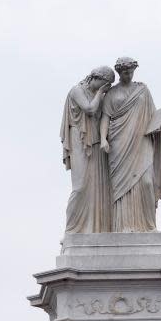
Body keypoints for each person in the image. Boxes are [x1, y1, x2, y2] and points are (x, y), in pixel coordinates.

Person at [99, 57, 161, 232]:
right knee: (122, 188)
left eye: (131, 72)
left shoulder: (142, 91)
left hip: (142, 140)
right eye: (125, 73)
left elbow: (152, 114)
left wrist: (158, 125)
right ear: (118, 73)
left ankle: (148, 225)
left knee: (146, 182)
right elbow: (105, 118)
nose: (128, 75)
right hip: (119, 143)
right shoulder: (111, 94)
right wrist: (103, 139)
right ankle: (124, 226)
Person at [60, 66, 115, 233]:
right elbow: (90, 110)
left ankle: (95, 228)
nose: (104, 88)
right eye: (104, 84)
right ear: (95, 78)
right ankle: (71, 229)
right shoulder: (77, 90)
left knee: (98, 185)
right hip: (79, 137)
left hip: (96, 140)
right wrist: (101, 94)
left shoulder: (101, 95)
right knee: (80, 185)